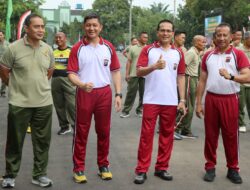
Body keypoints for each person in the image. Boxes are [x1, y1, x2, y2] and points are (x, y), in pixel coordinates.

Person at [0, 14, 54, 188]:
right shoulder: (14, 48)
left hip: (43, 103)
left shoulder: (48, 49)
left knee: (42, 142)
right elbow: (4, 70)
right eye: (36, 26)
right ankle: (10, 175)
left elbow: (49, 71)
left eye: (42, 26)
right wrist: (15, 87)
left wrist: (39, 87)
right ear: (27, 28)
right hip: (19, 103)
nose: (41, 30)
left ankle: (39, 175)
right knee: (15, 141)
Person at [67, 13, 122, 183]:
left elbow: (115, 71)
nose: (91, 28)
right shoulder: (77, 48)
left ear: (100, 27)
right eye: (88, 25)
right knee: (81, 132)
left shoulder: (108, 47)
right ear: (84, 27)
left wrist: (118, 94)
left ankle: (103, 165)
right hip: (85, 93)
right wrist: (82, 85)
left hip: (104, 93)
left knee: (104, 131)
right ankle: (78, 168)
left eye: (95, 25)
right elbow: (71, 73)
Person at [196, 23, 250, 184]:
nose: (221, 38)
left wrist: (232, 77)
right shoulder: (207, 55)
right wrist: (199, 103)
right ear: (214, 37)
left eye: (225, 35)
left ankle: (233, 169)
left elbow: (247, 76)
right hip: (211, 99)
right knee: (211, 135)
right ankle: (210, 167)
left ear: (231, 36)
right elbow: (202, 80)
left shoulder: (238, 55)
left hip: (230, 99)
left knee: (231, 136)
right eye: (218, 35)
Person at [133, 19, 186, 184]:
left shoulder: (178, 52)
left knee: (167, 136)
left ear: (173, 33)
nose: (165, 33)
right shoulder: (148, 50)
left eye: (168, 31)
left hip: (170, 101)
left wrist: (182, 99)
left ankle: (162, 167)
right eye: (162, 30)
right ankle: (141, 170)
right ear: (157, 32)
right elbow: (139, 72)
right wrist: (154, 67)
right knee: (146, 136)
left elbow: (181, 76)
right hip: (151, 100)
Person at [175, 35, 206, 139]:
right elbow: (183, 67)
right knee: (188, 107)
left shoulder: (196, 53)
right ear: (196, 42)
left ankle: (185, 130)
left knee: (191, 107)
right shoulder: (191, 53)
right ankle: (174, 129)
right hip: (188, 79)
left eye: (205, 42)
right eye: (202, 42)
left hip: (193, 79)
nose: (204, 44)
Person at [120, 32, 148, 118]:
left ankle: (139, 110)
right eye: (144, 37)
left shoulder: (148, 48)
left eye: (147, 38)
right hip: (133, 74)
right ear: (140, 38)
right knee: (131, 93)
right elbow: (129, 62)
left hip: (145, 75)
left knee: (143, 94)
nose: (146, 39)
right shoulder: (132, 48)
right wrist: (127, 74)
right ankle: (126, 111)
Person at [52, 32, 76, 135]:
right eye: (56, 38)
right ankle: (64, 126)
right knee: (59, 105)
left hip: (68, 80)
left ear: (65, 38)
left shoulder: (71, 51)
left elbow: (77, 67)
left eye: (60, 37)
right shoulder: (52, 52)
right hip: (55, 80)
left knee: (72, 105)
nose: (58, 39)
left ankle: (76, 127)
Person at [238, 31, 250, 133]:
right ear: (246, 39)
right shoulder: (239, 50)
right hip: (241, 82)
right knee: (240, 105)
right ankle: (241, 123)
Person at [0, 30, 9, 97]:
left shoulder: (8, 44)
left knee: (4, 79)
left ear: (3, 36)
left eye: (0, 35)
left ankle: (2, 91)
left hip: (4, 65)